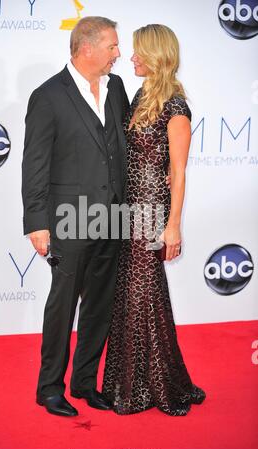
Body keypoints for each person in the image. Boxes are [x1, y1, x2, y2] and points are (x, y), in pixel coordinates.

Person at [22, 16, 130, 417]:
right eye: (113, 46)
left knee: (100, 305)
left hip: (114, 214)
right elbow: (34, 163)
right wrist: (37, 221)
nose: (118, 54)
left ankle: (85, 383)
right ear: (87, 48)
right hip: (69, 217)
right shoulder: (48, 96)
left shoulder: (116, 87)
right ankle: (50, 388)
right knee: (63, 305)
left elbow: (118, 145)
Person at [102, 24, 206, 416]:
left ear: (156, 55)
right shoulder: (141, 95)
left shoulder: (176, 105)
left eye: (138, 52)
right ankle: (129, 384)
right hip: (127, 209)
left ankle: (156, 385)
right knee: (130, 293)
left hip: (151, 210)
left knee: (144, 291)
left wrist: (173, 225)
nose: (131, 58)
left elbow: (178, 172)